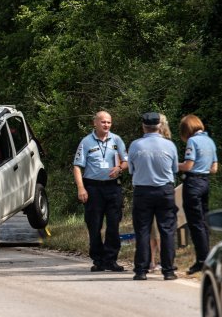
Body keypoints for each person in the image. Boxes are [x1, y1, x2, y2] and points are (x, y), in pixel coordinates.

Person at [73, 111, 129, 272]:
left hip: (112, 187)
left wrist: (119, 168)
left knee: (113, 224)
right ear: (95, 123)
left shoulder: (117, 140)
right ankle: (98, 260)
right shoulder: (86, 142)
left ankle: (111, 259)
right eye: (103, 122)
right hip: (93, 188)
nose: (106, 125)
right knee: (94, 224)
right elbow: (77, 166)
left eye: (109, 122)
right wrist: (81, 187)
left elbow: (125, 162)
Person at [128, 112, 179, 281]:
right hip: (165, 191)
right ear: (159, 126)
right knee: (167, 230)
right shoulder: (170, 146)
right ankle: (169, 270)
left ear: (143, 126)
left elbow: (131, 170)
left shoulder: (136, 145)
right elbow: (174, 170)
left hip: (143, 191)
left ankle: (141, 270)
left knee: (142, 230)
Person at [178, 114, 218, 274]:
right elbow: (214, 168)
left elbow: (188, 165)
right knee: (203, 221)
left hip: (193, 183)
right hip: (205, 183)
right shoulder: (210, 141)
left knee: (195, 223)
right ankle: (207, 257)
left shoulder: (192, 141)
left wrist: (173, 164)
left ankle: (202, 260)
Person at [149, 114, 172, 272]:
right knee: (158, 229)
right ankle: (155, 261)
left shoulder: (147, 142)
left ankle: (155, 261)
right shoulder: (167, 144)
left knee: (156, 229)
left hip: (150, 187)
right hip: (163, 188)